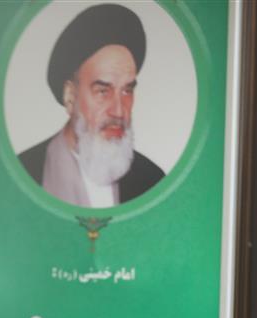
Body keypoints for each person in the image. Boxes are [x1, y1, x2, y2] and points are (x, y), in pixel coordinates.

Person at [18, 3, 165, 208]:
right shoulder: (25, 174)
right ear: (70, 97)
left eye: (127, 90)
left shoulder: (152, 181)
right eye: (103, 91)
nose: (119, 111)